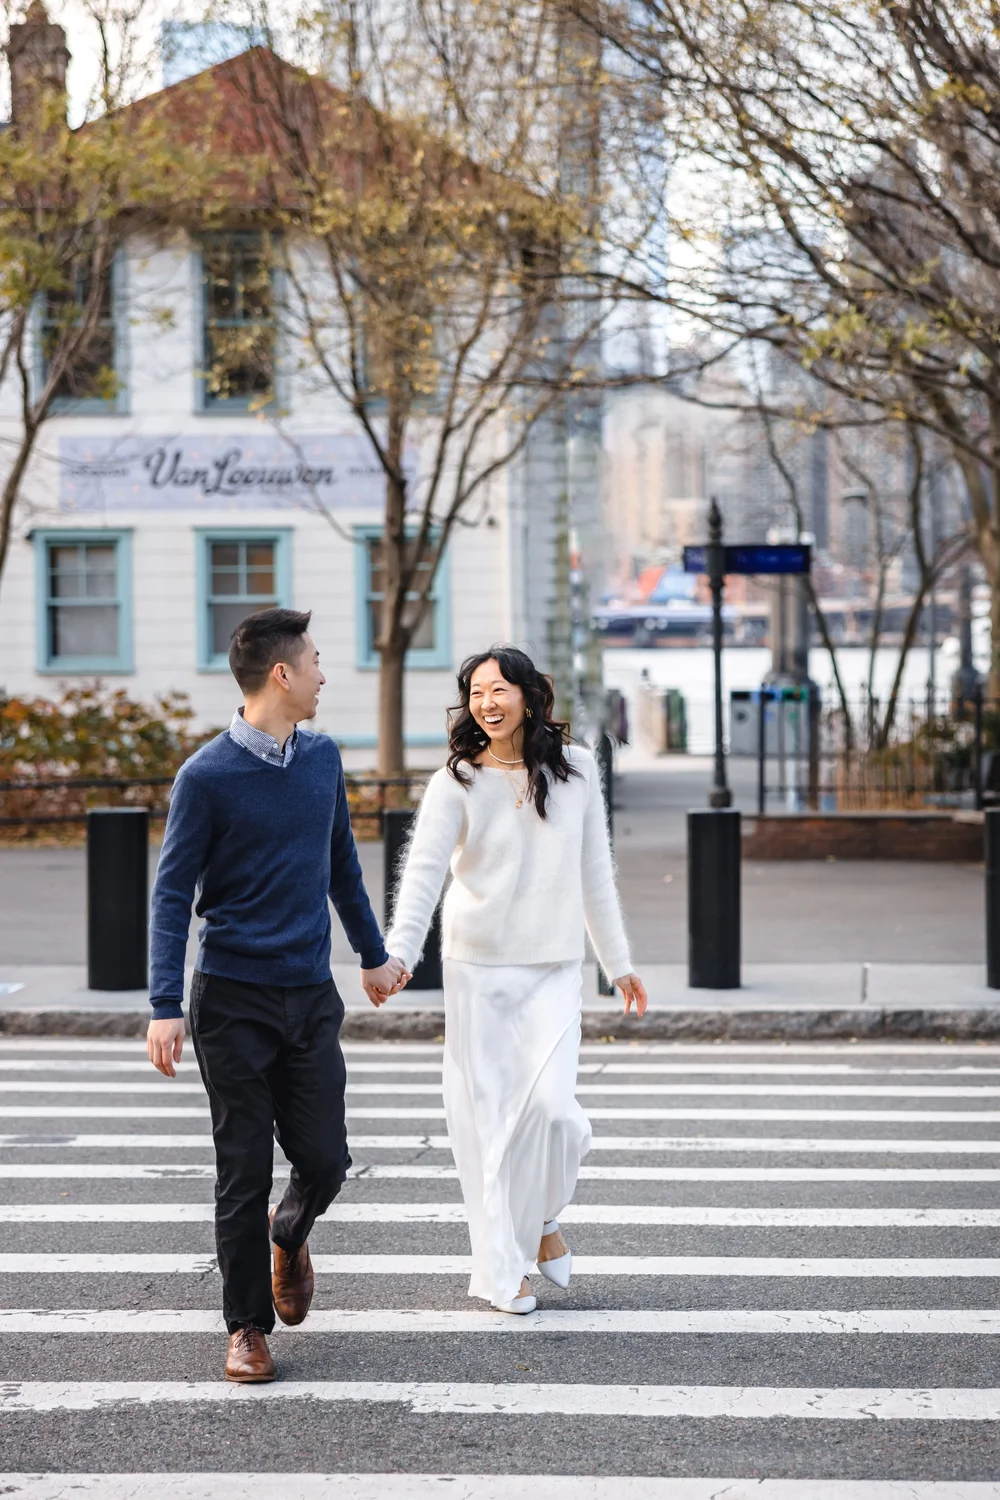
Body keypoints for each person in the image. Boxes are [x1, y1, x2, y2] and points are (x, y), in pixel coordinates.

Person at [145, 608, 406, 1382]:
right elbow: (171, 895)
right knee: (242, 1168)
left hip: (309, 994)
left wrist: (373, 956)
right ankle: (247, 1327)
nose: (325, 675)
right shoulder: (205, 777)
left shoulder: (322, 759)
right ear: (282, 674)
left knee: (326, 1160)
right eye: (316, 662)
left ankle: (288, 1235)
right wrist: (164, 1005)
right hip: (231, 999)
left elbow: (340, 865)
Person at [383, 645, 646, 1314]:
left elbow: (595, 873)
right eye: (476, 693)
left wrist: (618, 963)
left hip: (553, 968)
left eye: (499, 689)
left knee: (556, 1115)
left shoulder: (577, 771)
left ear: (529, 696)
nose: (487, 703)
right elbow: (423, 873)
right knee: (489, 1129)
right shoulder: (457, 781)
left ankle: (543, 1214)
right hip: (477, 970)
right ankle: (505, 1272)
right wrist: (400, 953)